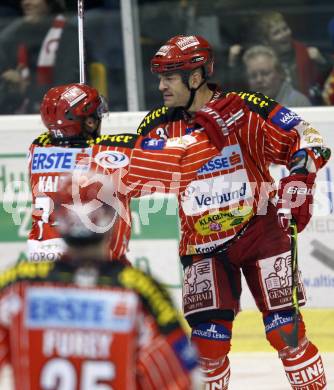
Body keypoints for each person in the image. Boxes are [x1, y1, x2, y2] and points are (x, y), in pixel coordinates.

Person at [135, 34, 331, 389]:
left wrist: (301, 175)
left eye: (169, 77)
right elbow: (134, 175)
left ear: (195, 77)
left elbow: (310, 137)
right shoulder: (157, 127)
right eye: (159, 77)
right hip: (201, 244)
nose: (161, 86)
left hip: (261, 231)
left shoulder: (244, 108)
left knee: (287, 333)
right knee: (207, 348)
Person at [0, 170, 200, 389]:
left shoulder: (16, 285)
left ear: (57, 217)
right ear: (113, 217)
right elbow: (185, 379)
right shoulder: (142, 291)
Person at [28, 81, 233, 263]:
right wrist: (219, 124)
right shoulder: (109, 156)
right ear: (90, 122)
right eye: (95, 117)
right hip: (89, 265)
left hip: (39, 266)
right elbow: (181, 163)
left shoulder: (37, 150)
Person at [0, 0, 78, 114]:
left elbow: (69, 86)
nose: (26, 3)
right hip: (17, 112)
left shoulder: (69, 35)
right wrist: (10, 84)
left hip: (60, 115)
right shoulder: (15, 34)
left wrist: (26, 89)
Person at [242, 45, 311, 107]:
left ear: (280, 73)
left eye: (265, 73)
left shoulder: (299, 103)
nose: (259, 80)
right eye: (253, 76)